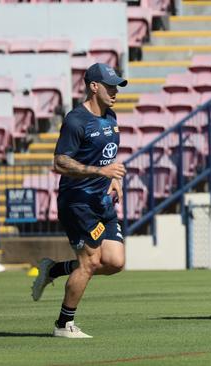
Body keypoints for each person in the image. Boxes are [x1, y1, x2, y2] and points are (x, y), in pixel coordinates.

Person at [31, 63, 128, 337]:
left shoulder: (110, 117)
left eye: (116, 86)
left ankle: (55, 268)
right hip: (79, 204)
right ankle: (64, 325)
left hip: (102, 201)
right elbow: (60, 162)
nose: (114, 91)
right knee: (90, 263)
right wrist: (101, 172)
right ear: (93, 86)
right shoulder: (76, 120)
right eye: (110, 86)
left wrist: (114, 179)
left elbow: (105, 156)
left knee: (115, 261)